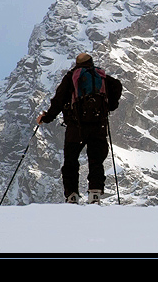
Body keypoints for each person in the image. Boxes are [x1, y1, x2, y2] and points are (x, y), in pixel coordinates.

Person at [37, 53, 122, 204]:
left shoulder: (71, 78)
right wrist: (110, 106)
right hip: (98, 126)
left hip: (76, 127)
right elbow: (117, 85)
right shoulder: (101, 77)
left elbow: (58, 100)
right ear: (91, 62)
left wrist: (46, 117)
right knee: (96, 160)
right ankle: (94, 194)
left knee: (71, 161)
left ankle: (72, 196)